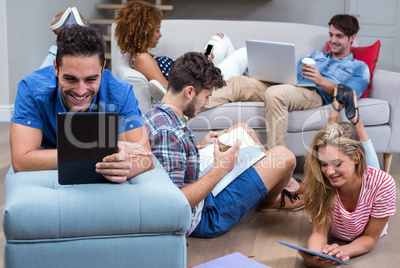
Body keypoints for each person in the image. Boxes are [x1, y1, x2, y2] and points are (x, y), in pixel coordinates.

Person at [143, 52, 304, 238]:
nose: (207, 103)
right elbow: (177, 203)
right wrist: (221, 168)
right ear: (189, 92)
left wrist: (199, 148)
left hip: (201, 189)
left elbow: (170, 167)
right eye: (206, 97)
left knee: (243, 129)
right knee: (285, 157)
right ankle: (272, 199)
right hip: (203, 216)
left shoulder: (154, 116)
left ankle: (279, 184)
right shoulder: (168, 134)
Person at [200, 14, 370, 151]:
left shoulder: (358, 67)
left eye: (339, 36)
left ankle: (276, 159)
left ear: (352, 37)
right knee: (239, 82)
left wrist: (321, 81)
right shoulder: (316, 55)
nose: (333, 40)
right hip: (291, 85)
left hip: (314, 93)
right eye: (331, 35)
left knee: (275, 93)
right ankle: (185, 109)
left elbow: (349, 95)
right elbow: (291, 73)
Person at [11, 25, 154, 183]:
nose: (80, 91)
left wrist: (129, 166)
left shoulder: (120, 92)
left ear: (102, 69)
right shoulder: (31, 89)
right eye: (70, 79)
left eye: (91, 79)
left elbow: (145, 157)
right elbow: (21, 161)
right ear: (56, 68)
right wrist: (106, 150)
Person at [299, 121, 396, 267]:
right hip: (335, 232)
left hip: (366, 231)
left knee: (374, 176)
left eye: (337, 163)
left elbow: (369, 238)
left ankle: (358, 120)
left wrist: (340, 252)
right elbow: (319, 233)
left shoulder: (384, 184)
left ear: (356, 156)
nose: (329, 172)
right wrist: (313, 257)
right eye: (324, 164)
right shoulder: (321, 181)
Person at [113, 0, 247, 100]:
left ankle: (243, 76)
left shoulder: (143, 55)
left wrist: (199, 60)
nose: (160, 35)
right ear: (145, 32)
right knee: (243, 53)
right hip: (201, 80)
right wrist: (200, 68)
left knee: (220, 39)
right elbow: (169, 90)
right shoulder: (142, 59)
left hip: (197, 71)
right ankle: (250, 80)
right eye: (157, 30)